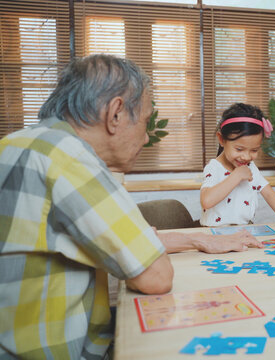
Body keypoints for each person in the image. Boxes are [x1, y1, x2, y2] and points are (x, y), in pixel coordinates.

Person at [0, 54, 261, 359]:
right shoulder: (71, 159)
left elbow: (83, 239)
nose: (148, 135)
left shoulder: (16, 144)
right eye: (147, 120)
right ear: (115, 114)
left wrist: (197, 238)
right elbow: (156, 277)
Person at [200, 103, 275, 230]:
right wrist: (236, 176)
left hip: (243, 231)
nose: (246, 157)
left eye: (254, 150)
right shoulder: (214, 167)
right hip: (214, 233)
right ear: (222, 139)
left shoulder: (250, 167)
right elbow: (206, 201)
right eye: (239, 149)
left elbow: (269, 194)